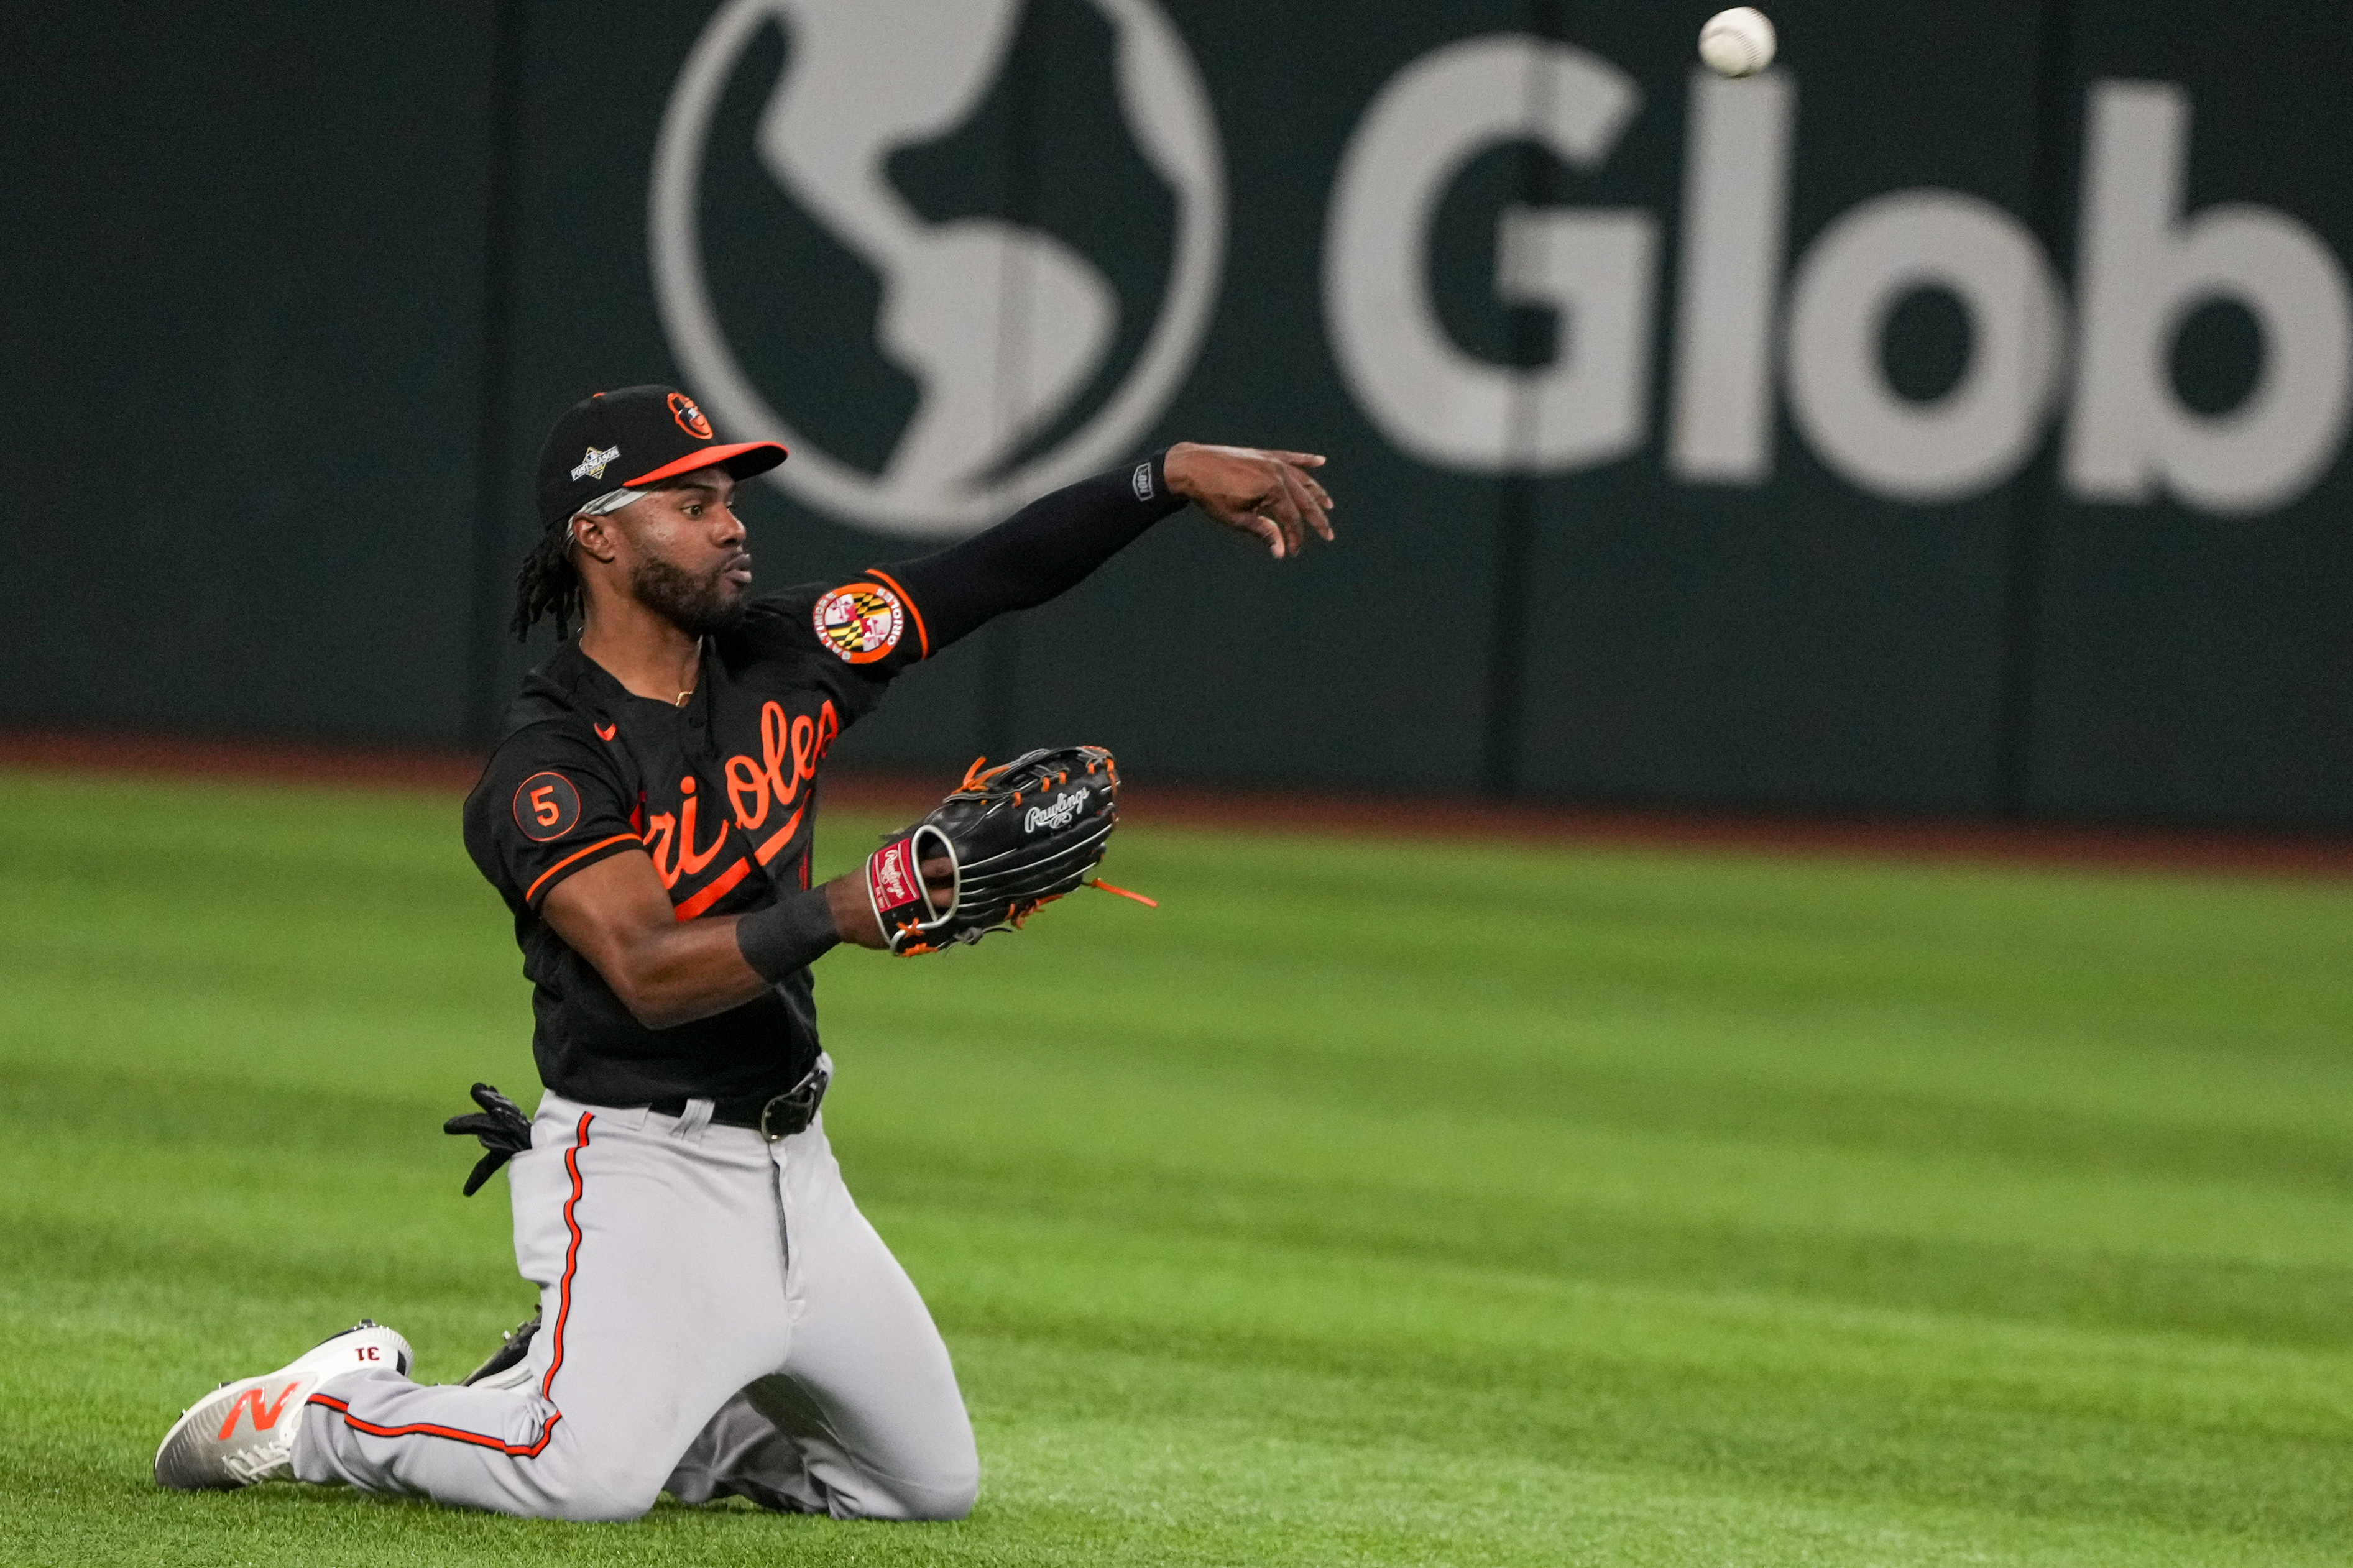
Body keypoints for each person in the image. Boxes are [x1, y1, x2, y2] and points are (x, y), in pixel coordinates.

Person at [152, 383, 1333, 1521]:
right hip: (637, 1171)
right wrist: (848, 904)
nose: (732, 527)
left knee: (920, 1490)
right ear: (601, 539)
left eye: (731, 498)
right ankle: (335, 1412)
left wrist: (1161, 477)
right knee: (579, 1482)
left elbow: (989, 574)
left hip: (798, 1172)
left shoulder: (792, 651)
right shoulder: (550, 765)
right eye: (694, 504)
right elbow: (650, 971)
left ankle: (662, 1409)